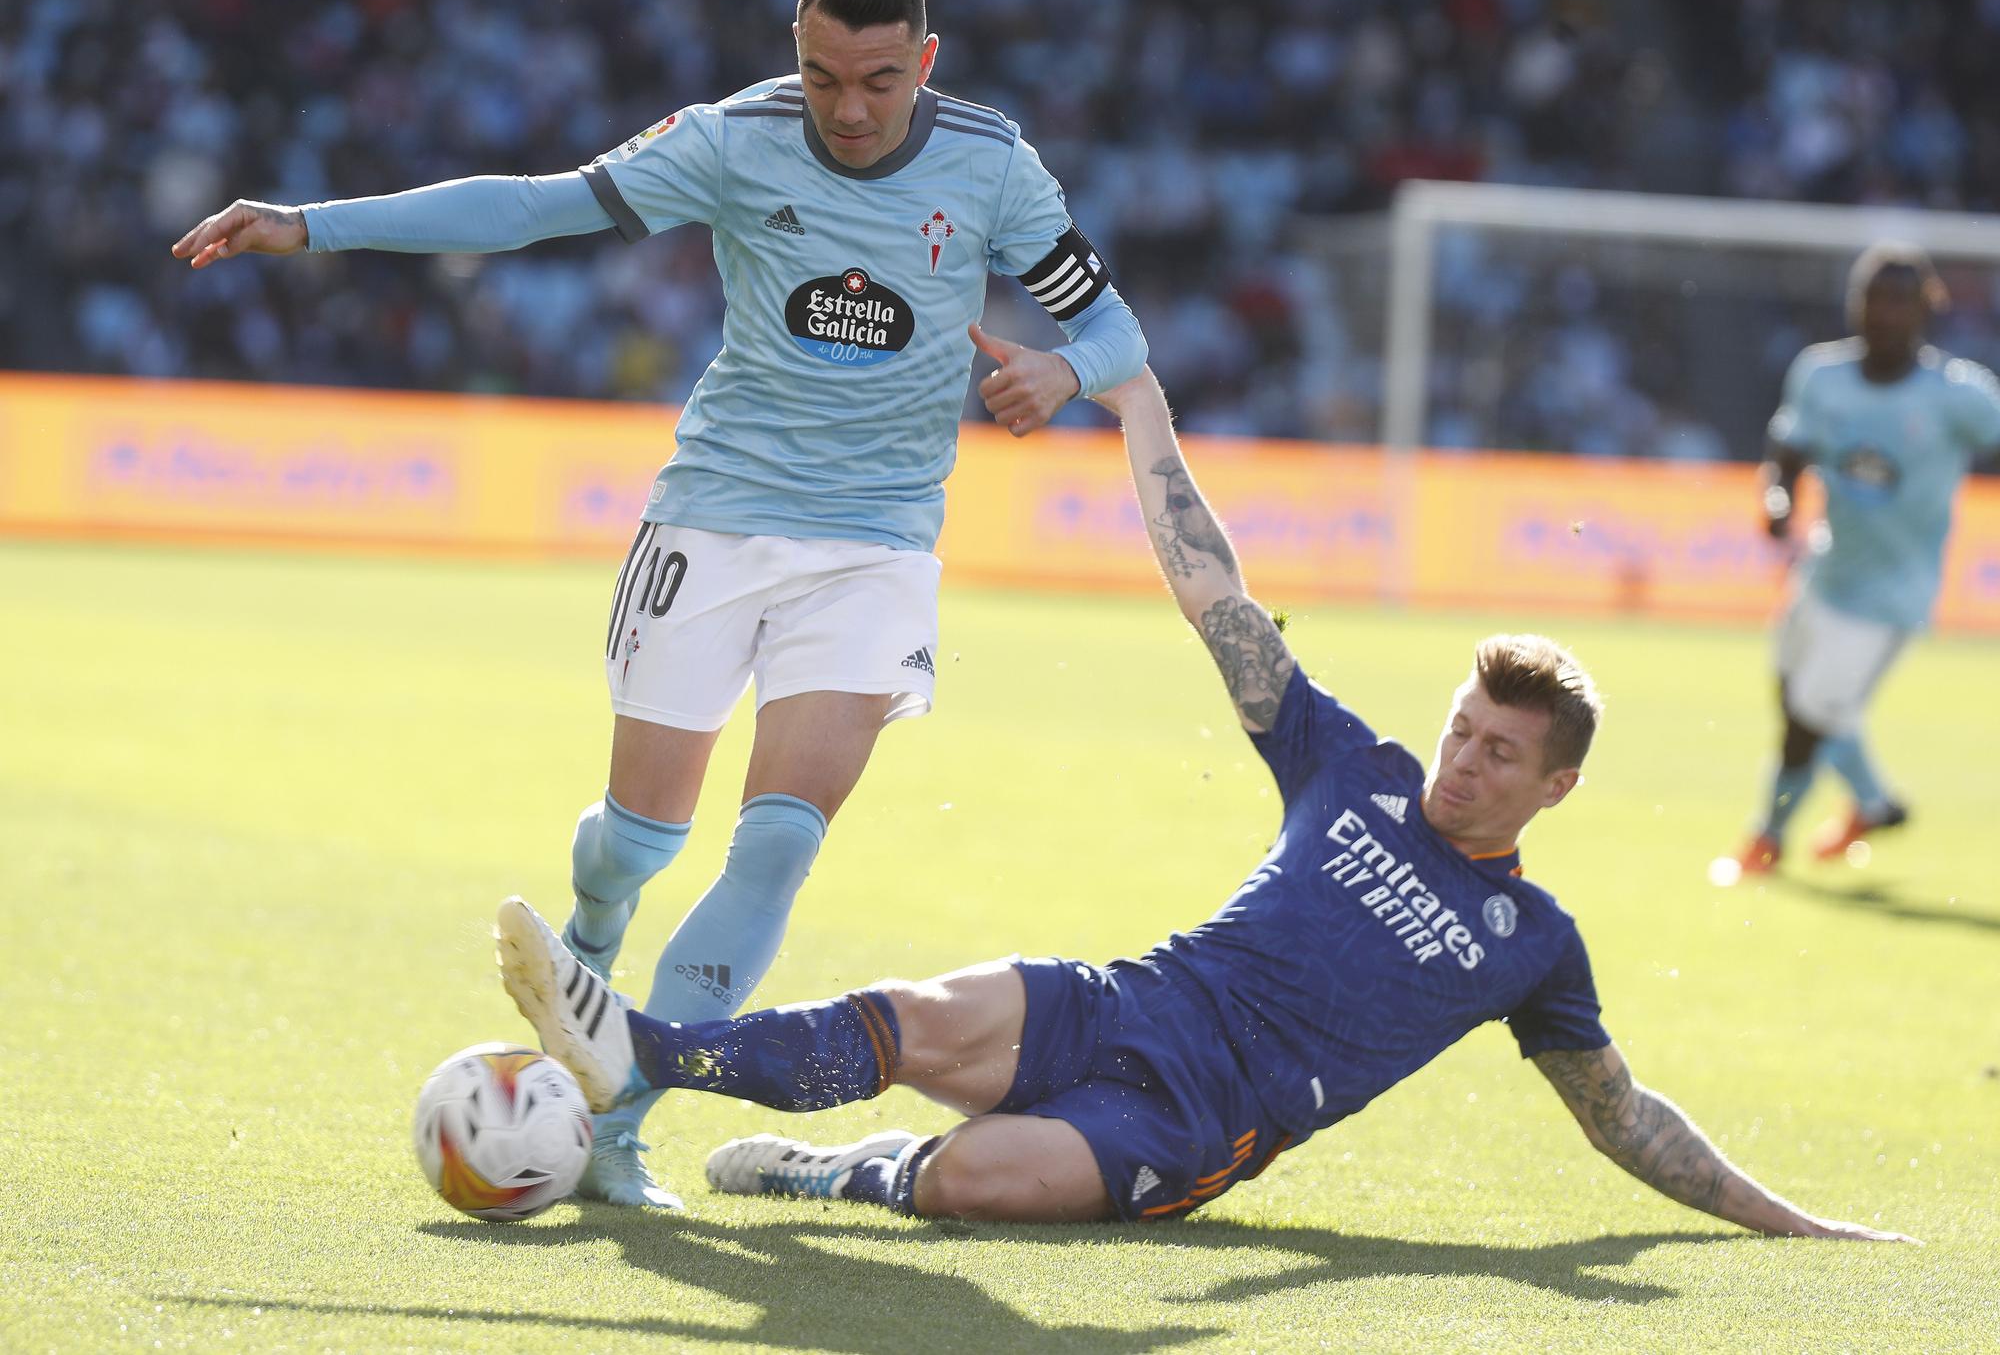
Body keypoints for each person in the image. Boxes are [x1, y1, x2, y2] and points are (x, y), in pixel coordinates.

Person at [170, 0, 1146, 1209]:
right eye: (820, 78)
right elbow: (534, 206)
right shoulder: (732, 138)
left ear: (925, 60)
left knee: (777, 848)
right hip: (714, 524)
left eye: (877, 81)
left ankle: (616, 1118)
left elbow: (1109, 321)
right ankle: (589, 942)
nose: (847, 109)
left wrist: (1064, 370)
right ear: (792, 53)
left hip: (876, 549)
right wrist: (309, 224)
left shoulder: (992, 165)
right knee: (638, 841)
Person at [495, 367, 1910, 1240]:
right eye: (1462, 727)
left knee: (976, 1183)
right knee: (919, 1018)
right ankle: (645, 1051)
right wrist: (1141, 405)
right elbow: (1215, 594)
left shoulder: (1532, 944)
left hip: (1193, 1123)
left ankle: (847, 1175)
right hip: (1126, 1003)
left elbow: (1621, 1115)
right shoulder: (1347, 763)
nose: (1461, 757)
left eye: (1495, 754)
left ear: (1556, 787)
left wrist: (1789, 1219)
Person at [1728, 244, 2000, 876]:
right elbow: (1789, 444)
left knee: (1806, 722)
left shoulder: (1956, 395)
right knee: (1795, 693)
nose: (1883, 313)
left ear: (1925, 310)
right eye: (1871, 298)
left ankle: (1766, 839)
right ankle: (1874, 803)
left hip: (1891, 596)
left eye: (1898, 300)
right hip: (1827, 569)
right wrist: (1778, 496)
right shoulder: (1821, 375)